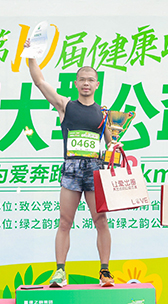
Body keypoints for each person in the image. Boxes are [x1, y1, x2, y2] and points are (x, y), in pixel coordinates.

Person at [25, 39, 116, 287]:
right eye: (82, 79)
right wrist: (31, 55)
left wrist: (115, 149)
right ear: (76, 83)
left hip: (95, 171)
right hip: (72, 170)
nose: (86, 83)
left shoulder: (104, 113)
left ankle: (105, 271)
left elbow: (111, 144)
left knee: (101, 221)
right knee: (65, 221)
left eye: (90, 80)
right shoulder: (65, 105)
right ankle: (60, 271)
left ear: (97, 84)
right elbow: (40, 82)